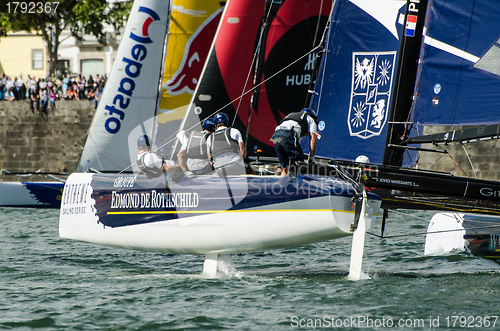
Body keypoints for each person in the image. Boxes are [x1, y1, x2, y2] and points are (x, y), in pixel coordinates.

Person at [271, 108, 318, 176]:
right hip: (287, 135)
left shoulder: (291, 115)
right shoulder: (310, 119)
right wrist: (311, 158)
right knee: (300, 164)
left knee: (285, 168)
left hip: (275, 136)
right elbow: (313, 139)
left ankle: (282, 184)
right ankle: (300, 184)